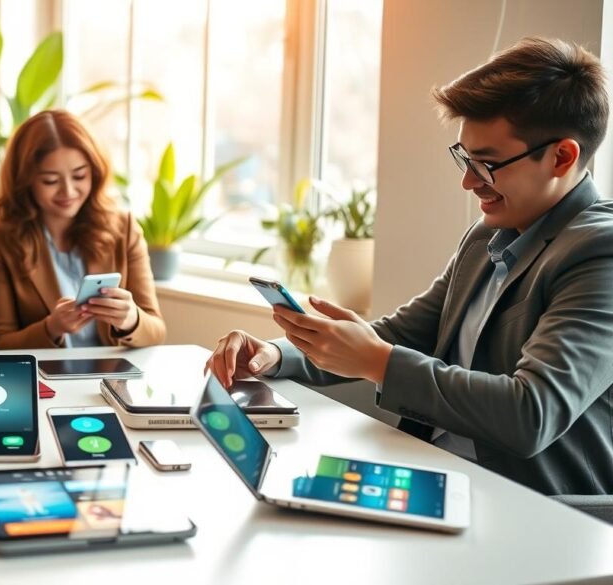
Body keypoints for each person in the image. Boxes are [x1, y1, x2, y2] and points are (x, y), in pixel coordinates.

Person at [206, 37, 613, 496]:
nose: (468, 181)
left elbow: (531, 414)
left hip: (538, 511)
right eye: (464, 157)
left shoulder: (600, 252)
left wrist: (376, 361)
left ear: (562, 157)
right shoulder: (488, 237)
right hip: (438, 476)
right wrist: (278, 354)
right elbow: (400, 335)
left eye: (487, 164)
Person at [0, 110, 165, 349]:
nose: (68, 191)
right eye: (50, 181)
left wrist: (131, 319)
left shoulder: (123, 228)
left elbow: (157, 331)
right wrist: (51, 328)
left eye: (79, 176)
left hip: (113, 375)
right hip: (42, 379)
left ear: (95, 173)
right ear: (25, 181)